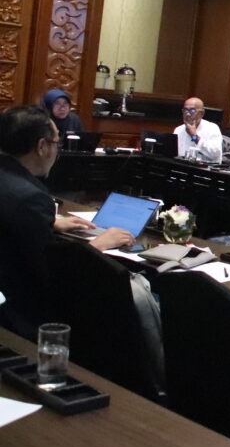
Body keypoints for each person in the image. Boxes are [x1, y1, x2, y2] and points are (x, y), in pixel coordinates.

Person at [0, 106, 134, 338]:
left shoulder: (13, 186)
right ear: (42, 146)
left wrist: (48, 222)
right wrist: (97, 246)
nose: (57, 151)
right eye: (56, 143)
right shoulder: (30, 198)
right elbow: (50, 276)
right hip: (22, 315)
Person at [173, 97, 222, 163]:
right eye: (185, 110)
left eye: (192, 111)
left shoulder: (212, 128)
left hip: (204, 168)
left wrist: (194, 136)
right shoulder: (178, 130)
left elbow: (215, 154)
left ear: (202, 113)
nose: (187, 114)